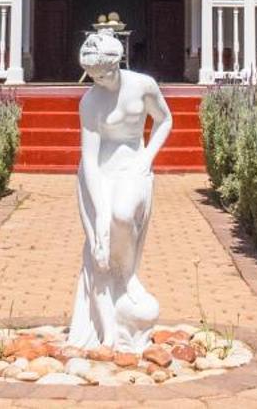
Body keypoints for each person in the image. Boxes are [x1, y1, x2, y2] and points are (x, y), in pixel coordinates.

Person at [67, 28, 173, 351]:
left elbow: (165, 121)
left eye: (108, 72)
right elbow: (89, 160)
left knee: (124, 216)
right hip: (98, 174)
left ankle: (127, 277)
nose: (104, 80)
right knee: (100, 243)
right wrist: (98, 213)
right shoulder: (91, 102)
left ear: (118, 62)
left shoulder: (143, 86)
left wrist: (147, 158)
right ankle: (108, 330)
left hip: (132, 166)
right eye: (96, 76)